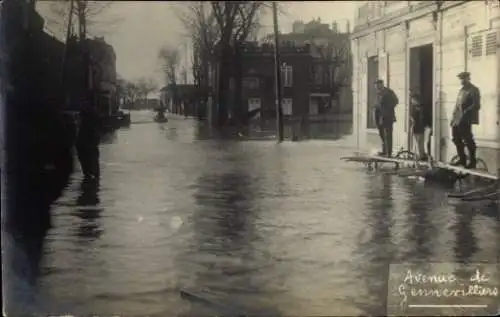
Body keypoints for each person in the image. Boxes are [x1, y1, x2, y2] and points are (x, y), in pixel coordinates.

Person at [450, 71, 480, 168]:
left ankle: (472, 161)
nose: (462, 80)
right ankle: (462, 159)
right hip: (457, 119)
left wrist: (466, 112)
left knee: (468, 140)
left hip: (466, 119)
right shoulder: (461, 90)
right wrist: (453, 117)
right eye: (460, 79)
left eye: (463, 78)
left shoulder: (474, 90)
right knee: (456, 138)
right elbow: (457, 105)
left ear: (468, 78)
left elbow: (476, 105)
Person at [76, 97, 101, 180]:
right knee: (92, 167)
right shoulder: (91, 113)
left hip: (87, 143)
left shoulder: (86, 114)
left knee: (88, 168)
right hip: (88, 143)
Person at [374, 79, 399, 157]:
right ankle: (384, 151)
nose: (377, 87)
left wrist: (387, 107)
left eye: (378, 85)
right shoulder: (378, 93)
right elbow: (378, 104)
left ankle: (389, 153)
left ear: (381, 84)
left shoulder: (389, 92)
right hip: (379, 116)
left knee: (388, 134)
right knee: (381, 134)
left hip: (388, 116)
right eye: (376, 86)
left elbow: (396, 101)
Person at [410, 92, 427, 160]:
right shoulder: (422, 107)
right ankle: (421, 155)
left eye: (412, 99)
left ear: (415, 100)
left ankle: (418, 157)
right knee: (421, 143)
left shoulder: (414, 108)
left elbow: (413, 119)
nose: (411, 101)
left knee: (416, 143)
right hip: (422, 128)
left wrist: (412, 126)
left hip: (416, 127)